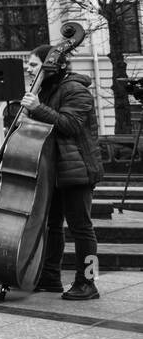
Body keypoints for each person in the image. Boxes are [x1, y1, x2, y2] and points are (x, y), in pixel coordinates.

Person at [24, 44, 102, 300]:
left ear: (53, 65)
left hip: (77, 168)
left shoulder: (76, 90)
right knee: (52, 225)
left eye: (33, 64)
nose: (28, 68)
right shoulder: (46, 91)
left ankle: (89, 282)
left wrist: (37, 107)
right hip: (52, 169)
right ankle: (50, 277)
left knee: (82, 228)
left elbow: (69, 125)